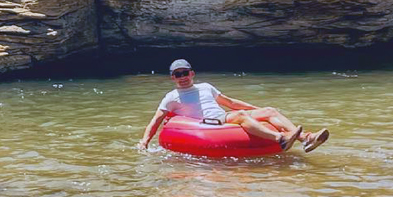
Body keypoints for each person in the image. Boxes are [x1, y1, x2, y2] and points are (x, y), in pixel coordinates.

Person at [137, 59, 330, 153]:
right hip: (206, 124)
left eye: (185, 73)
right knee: (242, 117)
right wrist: (144, 141)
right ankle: (280, 138)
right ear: (172, 77)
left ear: (192, 73)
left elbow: (230, 103)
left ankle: (306, 138)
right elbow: (156, 120)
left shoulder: (206, 87)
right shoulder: (171, 97)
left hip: (221, 118)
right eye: (177, 75)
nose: (182, 78)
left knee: (270, 110)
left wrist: (257, 110)